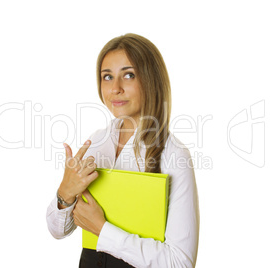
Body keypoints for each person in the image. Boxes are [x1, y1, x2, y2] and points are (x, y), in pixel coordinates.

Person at [46, 33, 200, 268]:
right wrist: (64, 195)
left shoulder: (174, 154)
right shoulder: (96, 143)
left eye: (128, 75)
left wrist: (102, 230)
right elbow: (58, 231)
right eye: (107, 77)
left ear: (151, 80)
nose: (115, 88)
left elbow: (180, 263)